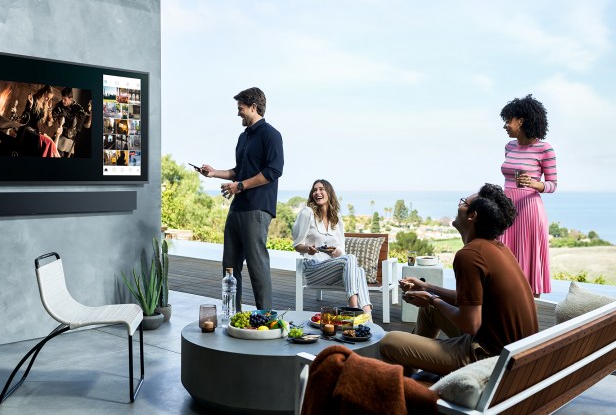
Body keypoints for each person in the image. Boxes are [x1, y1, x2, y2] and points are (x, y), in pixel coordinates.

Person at [379, 184, 538, 376]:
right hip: (513, 352)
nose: (459, 205)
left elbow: (470, 323)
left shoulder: (469, 255)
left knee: (389, 342)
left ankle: (406, 380)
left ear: (472, 216)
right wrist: (428, 288)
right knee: (430, 311)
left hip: (489, 358)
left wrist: (431, 299)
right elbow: (472, 301)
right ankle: (411, 372)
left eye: (464, 202)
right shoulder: (497, 248)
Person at [197, 87, 284, 311]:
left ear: (254, 107)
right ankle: (232, 316)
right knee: (229, 266)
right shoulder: (243, 137)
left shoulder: (271, 135)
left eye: (241, 108)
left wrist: (241, 186)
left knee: (257, 267)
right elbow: (240, 170)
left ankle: (265, 318)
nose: (238, 113)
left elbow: (273, 171)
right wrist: (214, 172)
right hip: (237, 208)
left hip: (257, 208)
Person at [499, 94, 557, 297]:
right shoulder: (509, 147)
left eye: (508, 120)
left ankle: (531, 315)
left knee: (528, 266)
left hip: (529, 211)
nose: (505, 125)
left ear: (521, 121)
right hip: (505, 209)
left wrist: (535, 184)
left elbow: (552, 184)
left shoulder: (545, 148)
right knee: (504, 263)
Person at [292, 179, 372, 313]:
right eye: (315, 190)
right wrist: (308, 249)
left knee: (360, 271)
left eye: (321, 189)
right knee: (350, 258)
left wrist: (335, 252)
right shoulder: (307, 213)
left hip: (331, 269)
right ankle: (353, 309)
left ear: (329, 193)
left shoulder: (337, 218)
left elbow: (341, 250)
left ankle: (367, 315)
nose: (317, 192)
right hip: (313, 269)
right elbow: (297, 245)